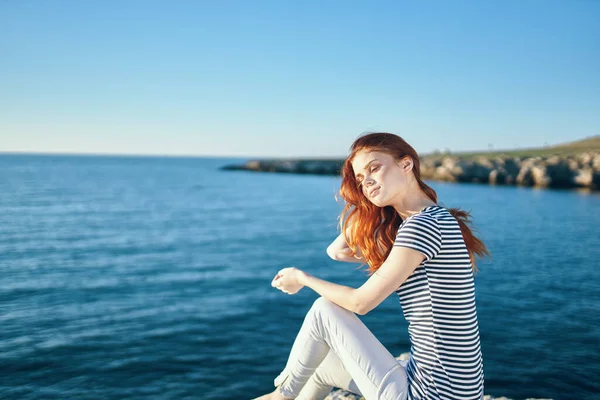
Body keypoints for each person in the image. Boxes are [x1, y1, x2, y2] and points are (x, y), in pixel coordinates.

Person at [252, 132, 489, 400]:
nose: (368, 182)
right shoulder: (435, 220)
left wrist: (301, 278)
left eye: (374, 168)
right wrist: (370, 205)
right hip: (456, 391)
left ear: (406, 164)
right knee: (321, 369)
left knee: (324, 309)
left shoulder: (422, 226)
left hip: (432, 395)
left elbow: (360, 303)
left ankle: (280, 396)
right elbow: (337, 252)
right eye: (361, 180)